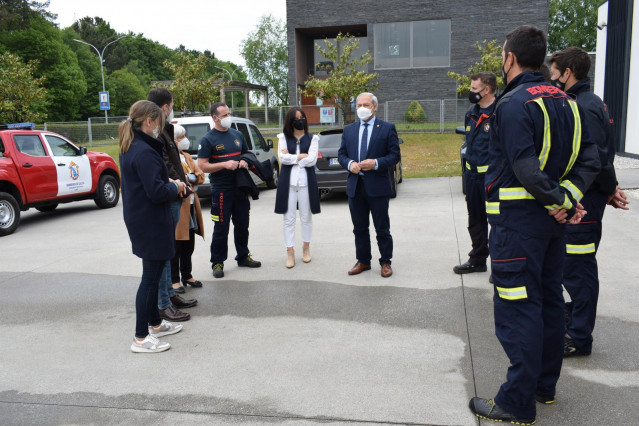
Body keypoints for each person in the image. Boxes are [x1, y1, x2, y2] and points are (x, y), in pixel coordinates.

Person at [468, 26, 600, 424]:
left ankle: (515, 401)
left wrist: (560, 201)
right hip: (551, 228)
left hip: (517, 229)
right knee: (546, 304)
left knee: (517, 310)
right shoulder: (569, 101)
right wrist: (569, 199)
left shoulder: (511, 104)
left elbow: (524, 167)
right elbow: (590, 160)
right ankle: (544, 386)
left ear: (509, 58)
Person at [549, 47, 630, 358]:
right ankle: (574, 318)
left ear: (568, 72)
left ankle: (579, 337)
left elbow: (596, 158)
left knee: (579, 271)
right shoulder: (581, 101)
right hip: (583, 199)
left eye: (554, 70)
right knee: (571, 269)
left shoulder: (584, 104)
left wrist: (609, 190)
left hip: (586, 205)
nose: (552, 76)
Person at [119, 100, 186, 353]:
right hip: (149, 221)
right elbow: (157, 192)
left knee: (154, 276)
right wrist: (176, 186)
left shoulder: (135, 145)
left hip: (144, 219)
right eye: (159, 121)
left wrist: (164, 180)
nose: (161, 126)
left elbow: (149, 182)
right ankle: (140, 337)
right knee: (149, 280)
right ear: (149, 122)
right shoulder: (144, 150)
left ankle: (156, 324)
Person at [337, 92, 400, 278]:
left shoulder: (387, 128)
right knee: (359, 228)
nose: (362, 108)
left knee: (382, 227)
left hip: (378, 186)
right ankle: (363, 260)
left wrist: (376, 163)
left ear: (374, 107)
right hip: (356, 187)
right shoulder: (349, 130)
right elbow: (342, 155)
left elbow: (394, 155)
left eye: (366, 105)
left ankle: (386, 262)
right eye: (358, 105)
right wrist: (350, 164)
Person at [148, 88, 197, 322]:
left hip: (176, 194)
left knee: (169, 251)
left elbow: (172, 160)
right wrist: (177, 183)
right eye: (172, 104)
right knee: (165, 253)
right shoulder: (155, 132)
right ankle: (164, 303)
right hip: (169, 195)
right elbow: (163, 164)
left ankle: (169, 296)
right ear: (165, 107)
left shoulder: (165, 130)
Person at [197, 102, 261, 278]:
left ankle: (243, 256)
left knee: (242, 225)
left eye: (228, 114)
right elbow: (202, 166)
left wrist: (245, 161)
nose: (227, 118)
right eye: (224, 115)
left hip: (240, 187)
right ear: (215, 118)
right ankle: (217, 262)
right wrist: (224, 164)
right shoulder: (208, 139)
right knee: (221, 227)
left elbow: (246, 154)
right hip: (222, 190)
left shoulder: (237, 134)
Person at [453, 72, 497, 275]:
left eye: (474, 89)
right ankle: (478, 260)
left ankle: (499, 266)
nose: (470, 92)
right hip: (472, 177)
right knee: (475, 220)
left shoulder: (500, 111)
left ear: (486, 90)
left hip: (492, 178)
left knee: (497, 223)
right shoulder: (471, 112)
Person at [274, 107, 320, 268]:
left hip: (306, 184)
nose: (300, 120)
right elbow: (282, 158)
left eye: (302, 117)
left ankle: (306, 249)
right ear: (290, 121)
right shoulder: (283, 138)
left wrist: (291, 157)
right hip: (289, 185)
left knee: (306, 217)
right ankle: (290, 252)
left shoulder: (312, 138)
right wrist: (300, 156)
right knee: (289, 219)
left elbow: (312, 160)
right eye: (296, 118)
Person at [170, 124, 205, 293]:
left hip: (191, 204)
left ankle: (187, 274)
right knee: (177, 243)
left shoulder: (186, 156)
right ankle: (174, 280)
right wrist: (189, 178)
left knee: (189, 243)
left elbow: (200, 176)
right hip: (179, 205)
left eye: (184, 136)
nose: (184, 140)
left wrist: (189, 177)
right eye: (181, 137)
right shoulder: (170, 158)